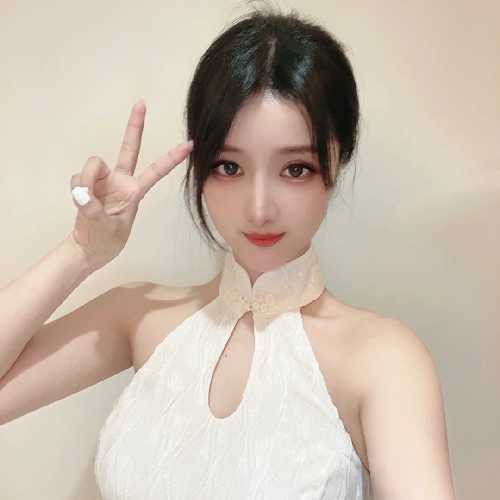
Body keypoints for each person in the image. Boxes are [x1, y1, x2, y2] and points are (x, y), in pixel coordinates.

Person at [0, 4, 457, 500]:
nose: (259, 209)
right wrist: (82, 251)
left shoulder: (383, 359)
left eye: (295, 169)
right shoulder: (139, 316)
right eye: (229, 167)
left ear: (337, 160)